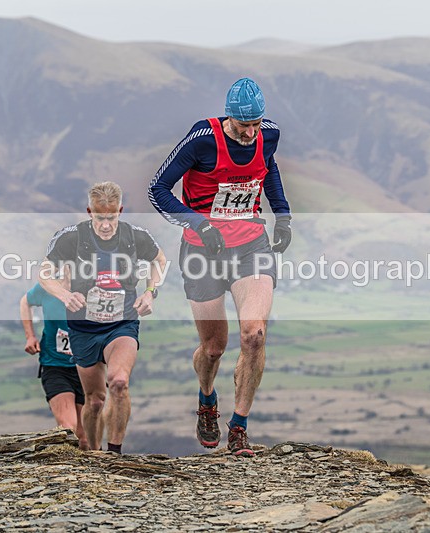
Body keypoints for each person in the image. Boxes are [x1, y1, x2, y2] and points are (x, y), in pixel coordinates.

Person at [148, 77, 292, 456]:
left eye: (256, 124)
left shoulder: (268, 135)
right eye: (243, 125)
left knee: (254, 335)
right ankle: (207, 399)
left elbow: (268, 166)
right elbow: (157, 190)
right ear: (229, 117)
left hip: (251, 246)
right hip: (202, 252)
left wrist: (284, 215)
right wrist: (199, 224)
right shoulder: (202, 140)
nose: (250, 132)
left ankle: (239, 427)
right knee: (214, 348)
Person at [40, 181, 166, 453]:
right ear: (89, 212)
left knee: (119, 383)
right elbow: (44, 274)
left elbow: (160, 261)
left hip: (122, 323)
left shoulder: (135, 236)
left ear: (120, 211)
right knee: (94, 401)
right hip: (83, 328)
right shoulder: (70, 237)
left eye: (111, 217)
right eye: (100, 218)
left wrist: (150, 292)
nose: (106, 224)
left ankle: (114, 454)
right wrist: (64, 295)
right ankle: (93, 453)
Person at [20, 283, 88, 449]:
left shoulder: (93, 284)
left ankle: (90, 474)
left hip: (87, 368)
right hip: (55, 366)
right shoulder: (49, 286)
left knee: (85, 438)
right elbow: (25, 301)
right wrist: (30, 336)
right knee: (68, 429)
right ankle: (70, 473)